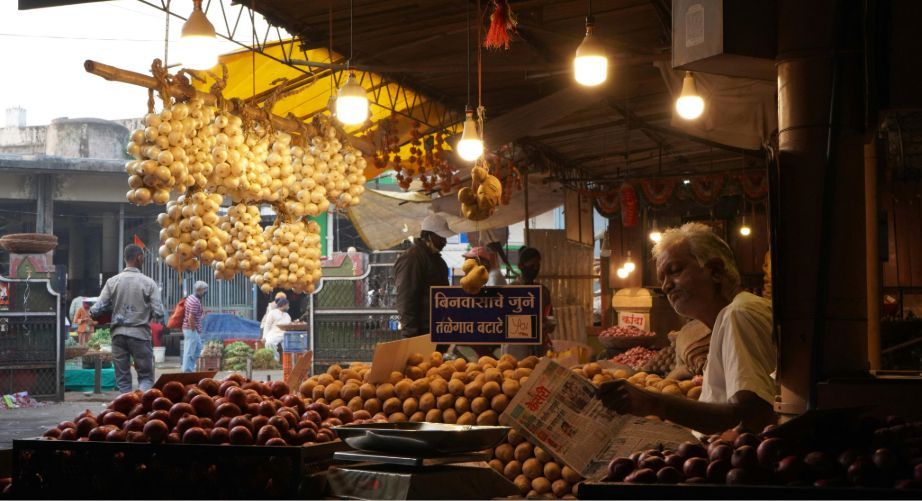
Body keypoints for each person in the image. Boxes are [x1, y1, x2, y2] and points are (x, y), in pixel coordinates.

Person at [596, 222, 776, 435]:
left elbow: (751, 414)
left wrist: (654, 403)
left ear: (715, 271)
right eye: (662, 279)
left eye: (674, 271)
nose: (665, 286)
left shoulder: (739, 313)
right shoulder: (727, 321)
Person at [90, 244, 164, 393]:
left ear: (125, 259)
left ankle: (125, 410)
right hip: (140, 335)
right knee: (146, 377)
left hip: (118, 336)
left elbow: (95, 310)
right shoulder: (148, 283)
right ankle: (142, 407)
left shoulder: (112, 281)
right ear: (139, 258)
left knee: (122, 380)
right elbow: (159, 312)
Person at [394, 214, 455, 338]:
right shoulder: (412, 258)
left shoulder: (438, 261)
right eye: (441, 237)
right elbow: (406, 299)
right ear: (428, 236)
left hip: (437, 331)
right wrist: (411, 336)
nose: (444, 241)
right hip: (421, 333)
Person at [503, 246, 556, 359]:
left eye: (538, 265)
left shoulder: (543, 291)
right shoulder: (511, 289)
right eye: (532, 265)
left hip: (539, 349)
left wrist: (549, 324)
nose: (535, 268)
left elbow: (551, 317)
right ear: (520, 266)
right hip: (516, 349)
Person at [181, 281, 209, 372]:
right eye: (205, 290)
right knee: (191, 351)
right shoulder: (195, 302)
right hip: (191, 329)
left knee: (195, 348)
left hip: (189, 329)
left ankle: (189, 368)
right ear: (199, 290)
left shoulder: (190, 297)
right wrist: (193, 330)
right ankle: (187, 370)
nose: (205, 292)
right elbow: (190, 317)